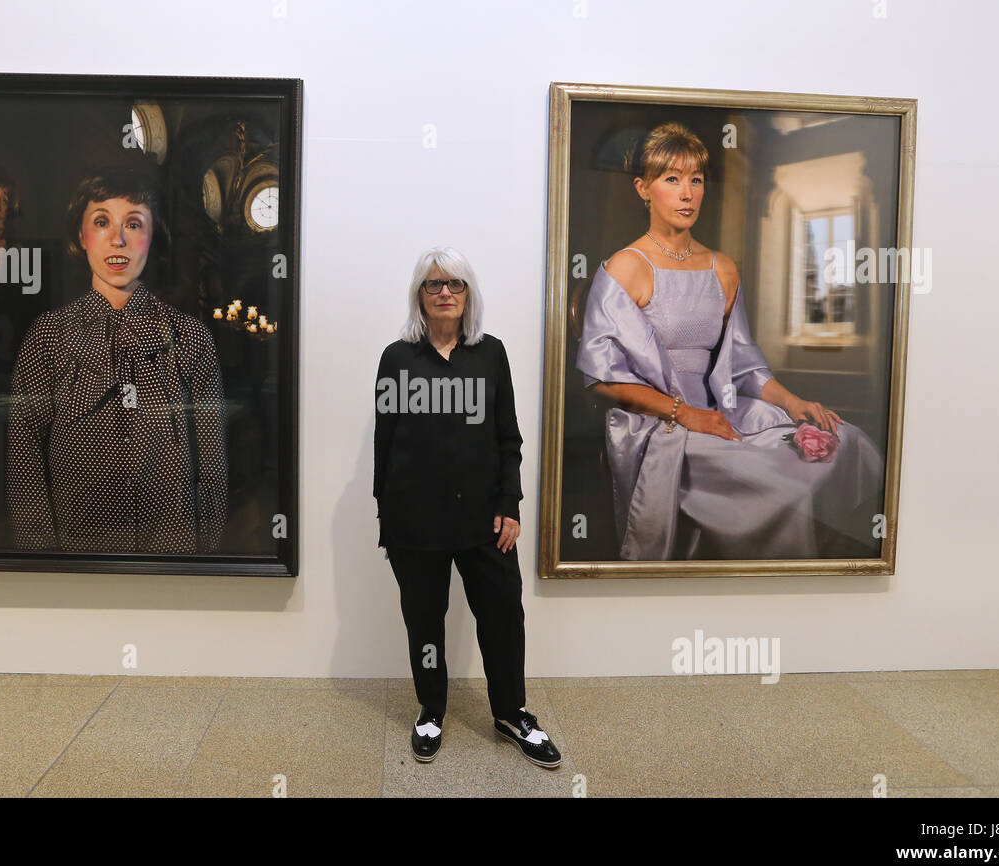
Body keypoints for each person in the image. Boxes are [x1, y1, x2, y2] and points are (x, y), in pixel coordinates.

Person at [576, 122, 884, 561]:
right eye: (672, 179)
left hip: (721, 410)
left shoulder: (723, 268)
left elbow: (743, 366)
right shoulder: (626, 267)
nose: (687, 193)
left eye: (696, 180)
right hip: (658, 422)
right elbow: (601, 380)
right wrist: (688, 416)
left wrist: (793, 403)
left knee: (841, 438)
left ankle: (807, 568)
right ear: (643, 188)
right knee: (776, 476)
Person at [373, 247, 560, 768]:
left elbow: (509, 438)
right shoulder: (397, 358)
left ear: (468, 294)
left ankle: (512, 712)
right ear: (420, 296)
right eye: (434, 285)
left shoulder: (490, 354)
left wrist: (510, 504)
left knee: (502, 616)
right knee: (425, 620)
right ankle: (431, 709)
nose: (445, 293)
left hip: (485, 518)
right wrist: (387, 517)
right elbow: (384, 444)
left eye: (454, 284)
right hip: (416, 521)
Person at [6, 166, 228, 553]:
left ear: (151, 235)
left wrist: (203, 551)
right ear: (81, 234)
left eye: (134, 224)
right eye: (102, 221)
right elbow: (25, 456)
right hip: (78, 555)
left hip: (171, 552)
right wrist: (41, 555)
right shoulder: (48, 337)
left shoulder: (190, 338)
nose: (118, 239)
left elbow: (210, 455)